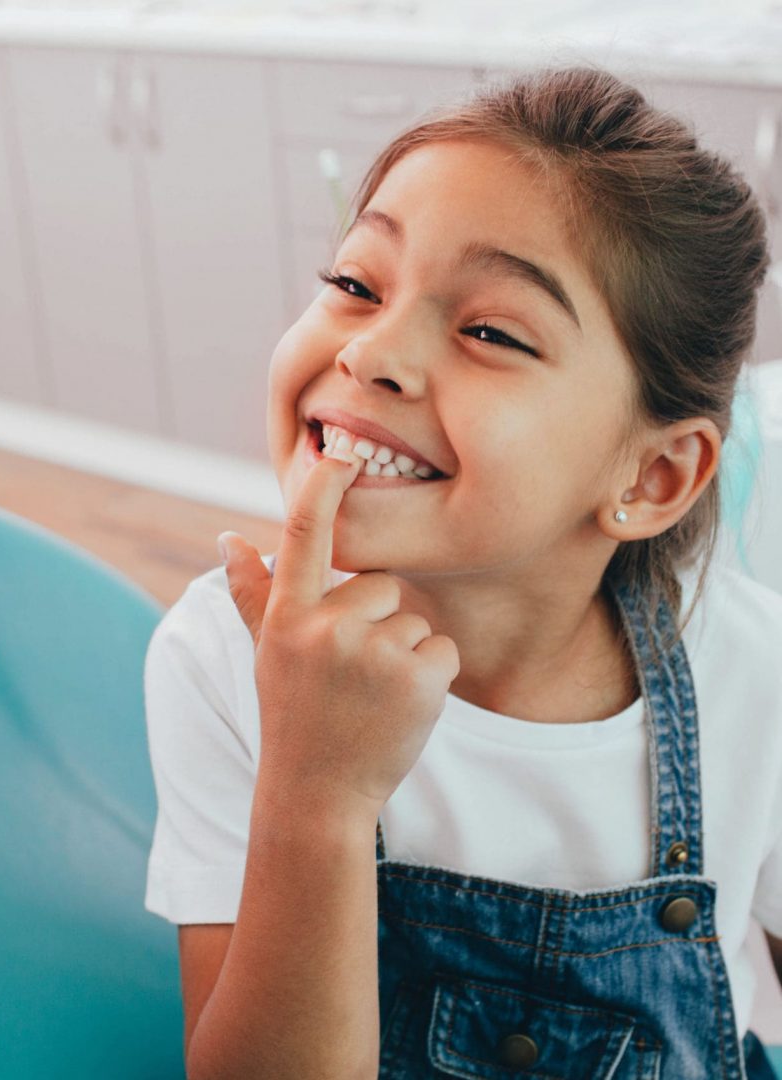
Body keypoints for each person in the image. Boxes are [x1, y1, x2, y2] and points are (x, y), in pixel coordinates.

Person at [142, 66, 782, 1079]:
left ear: (653, 475)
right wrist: (317, 791)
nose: (371, 353)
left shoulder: (760, 678)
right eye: (357, 283)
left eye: (490, 330)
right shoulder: (224, 654)